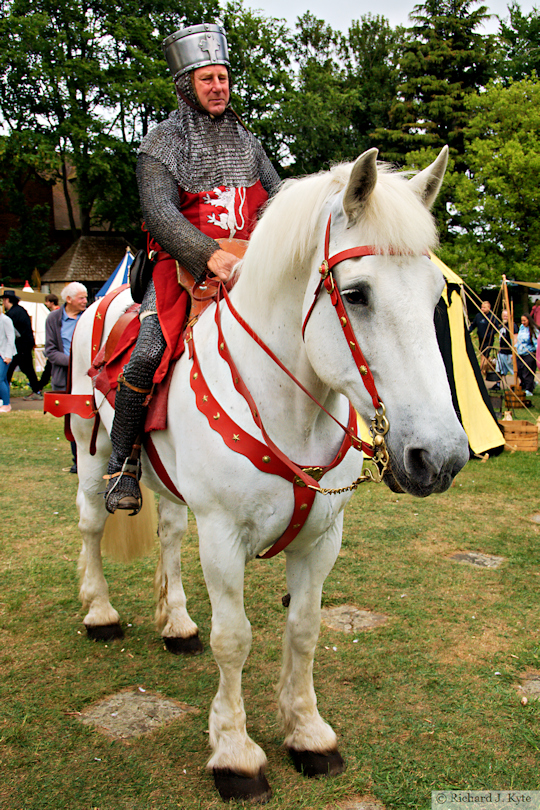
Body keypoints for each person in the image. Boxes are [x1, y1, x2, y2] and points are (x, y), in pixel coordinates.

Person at [104, 23, 281, 515]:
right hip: (180, 272)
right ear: (187, 86)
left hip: (249, 271)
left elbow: (279, 199)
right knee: (147, 353)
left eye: (223, 78)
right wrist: (208, 254)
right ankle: (123, 463)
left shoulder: (248, 142)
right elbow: (160, 213)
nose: (218, 87)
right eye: (207, 79)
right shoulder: (162, 142)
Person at [44, 282, 88, 472]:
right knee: (73, 419)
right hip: (66, 377)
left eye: (86, 297)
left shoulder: (89, 316)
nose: (85, 301)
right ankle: (77, 460)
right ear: (68, 299)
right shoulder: (53, 318)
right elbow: (51, 351)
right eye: (81, 298)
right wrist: (75, 361)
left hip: (88, 375)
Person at [1, 289, 42, 400]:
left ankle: (36, 391)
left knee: (10, 369)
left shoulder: (11, 314)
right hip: (24, 344)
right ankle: (36, 390)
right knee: (22, 369)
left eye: (4, 300)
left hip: (20, 346)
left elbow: (11, 333)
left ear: (7, 300)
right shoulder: (20, 310)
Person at [468, 300, 499, 374]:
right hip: (481, 339)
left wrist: (489, 335)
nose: (482, 309)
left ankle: (482, 370)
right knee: (483, 355)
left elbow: (496, 328)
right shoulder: (478, 316)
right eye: (482, 307)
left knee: (484, 355)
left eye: (484, 308)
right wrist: (468, 331)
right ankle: (488, 367)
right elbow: (473, 325)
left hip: (489, 339)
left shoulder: (492, 317)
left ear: (489, 308)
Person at [39, 294, 60, 390]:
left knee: (49, 368)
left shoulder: (56, 314)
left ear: (52, 302)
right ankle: (40, 385)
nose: (46, 303)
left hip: (57, 348)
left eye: (47, 301)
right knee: (49, 368)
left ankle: (40, 386)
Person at [515, 312, 538, 397]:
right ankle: (529, 384)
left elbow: (537, 342)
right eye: (522, 321)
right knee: (519, 370)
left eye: (524, 320)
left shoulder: (533, 329)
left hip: (529, 353)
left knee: (527, 372)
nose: (523, 322)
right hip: (520, 352)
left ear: (528, 320)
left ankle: (529, 389)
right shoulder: (521, 327)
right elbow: (519, 339)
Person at [0, 310, 16, 413]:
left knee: (0, 379)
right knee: (4, 379)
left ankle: (6, 404)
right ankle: (5, 402)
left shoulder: (6, 320)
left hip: (5, 354)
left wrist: (8, 355)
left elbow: (11, 338)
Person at [495, 309, 517, 378]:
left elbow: (515, 338)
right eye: (504, 316)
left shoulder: (512, 326)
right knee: (499, 369)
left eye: (506, 316)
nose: (505, 317)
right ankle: (498, 382)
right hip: (502, 352)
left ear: (510, 316)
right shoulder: (502, 326)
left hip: (509, 352)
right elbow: (501, 339)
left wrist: (514, 350)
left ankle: (520, 382)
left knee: (514, 370)